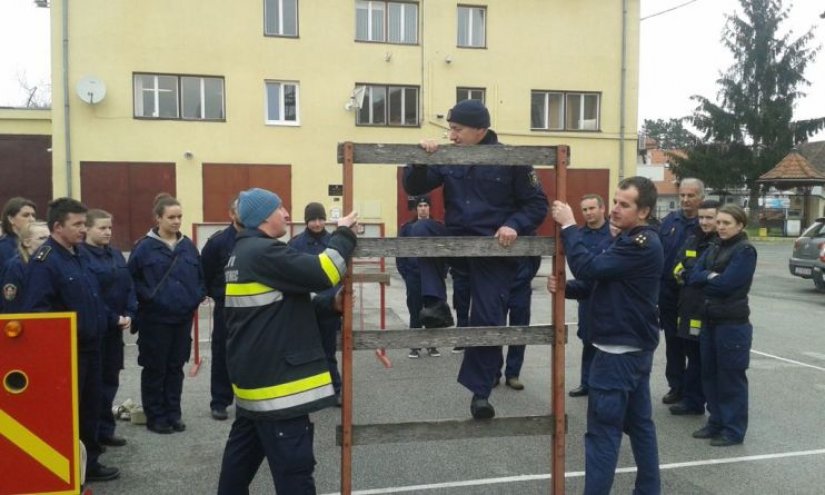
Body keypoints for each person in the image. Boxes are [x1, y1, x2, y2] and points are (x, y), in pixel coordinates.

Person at [403, 99, 548, 419]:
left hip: (493, 251)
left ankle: (480, 394)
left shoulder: (512, 159)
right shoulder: (450, 154)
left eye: (457, 130)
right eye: (449, 129)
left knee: (487, 319)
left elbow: (537, 205)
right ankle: (435, 303)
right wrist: (421, 158)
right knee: (421, 228)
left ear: (480, 130)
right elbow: (414, 187)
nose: (451, 135)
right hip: (457, 240)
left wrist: (514, 225)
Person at [216, 188, 358, 494]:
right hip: (277, 390)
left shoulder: (245, 252)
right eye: (280, 208)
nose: (287, 214)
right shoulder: (262, 251)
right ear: (263, 217)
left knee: (237, 470)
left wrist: (327, 305)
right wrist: (344, 233)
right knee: (295, 474)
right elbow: (325, 272)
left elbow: (284, 299)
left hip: (255, 384)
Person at [548, 176, 662, 495]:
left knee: (602, 434)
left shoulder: (640, 243)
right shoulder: (629, 239)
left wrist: (569, 225)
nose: (614, 209)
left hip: (617, 354)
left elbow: (589, 268)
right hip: (632, 350)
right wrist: (566, 288)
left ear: (644, 211)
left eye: (624, 205)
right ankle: (649, 490)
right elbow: (600, 281)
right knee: (640, 426)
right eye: (615, 201)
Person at [20, 198, 120, 482]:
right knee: (68, 414)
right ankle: (67, 467)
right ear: (57, 227)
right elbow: (37, 313)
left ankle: (90, 462)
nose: (82, 229)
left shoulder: (79, 255)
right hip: (68, 352)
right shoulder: (46, 262)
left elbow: (92, 298)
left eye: (83, 223)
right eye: (76, 224)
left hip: (92, 347)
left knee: (90, 408)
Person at [128, 194, 205, 435]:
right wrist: (151, 300)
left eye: (179, 216)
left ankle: (174, 413)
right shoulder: (143, 248)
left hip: (181, 319)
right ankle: (156, 416)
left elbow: (199, 277)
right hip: (155, 321)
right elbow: (131, 282)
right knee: (155, 368)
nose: (176, 221)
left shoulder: (187, 247)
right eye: (171, 217)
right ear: (158, 218)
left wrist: (195, 298)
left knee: (175, 368)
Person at [687, 204, 756, 447]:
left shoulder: (745, 251)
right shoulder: (715, 246)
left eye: (727, 223)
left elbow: (728, 284)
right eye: (720, 222)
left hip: (732, 324)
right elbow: (692, 275)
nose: (721, 227)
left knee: (731, 378)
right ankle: (715, 421)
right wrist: (709, 276)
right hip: (710, 320)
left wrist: (708, 277)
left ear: (740, 225)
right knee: (710, 374)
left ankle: (733, 430)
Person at [79, 209, 137, 447]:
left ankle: (105, 430)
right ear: (88, 229)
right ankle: (89, 437)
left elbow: (128, 285)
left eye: (109, 228)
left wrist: (130, 313)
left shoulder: (114, 254)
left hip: (115, 331)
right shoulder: (81, 256)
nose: (107, 232)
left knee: (110, 380)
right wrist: (113, 317)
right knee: (92, 387)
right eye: (101, 228)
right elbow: (89, 296)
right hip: (96, 329)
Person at [288, 201, 346, 399]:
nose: (317, 223)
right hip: (305, 306)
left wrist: (338, 301)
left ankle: (335, 390)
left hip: (329, 306)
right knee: (304, 351)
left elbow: (341, 272)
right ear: (306, 221)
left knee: (328, 351)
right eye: (312, 219)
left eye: (320, 219)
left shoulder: (333, 242)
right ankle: (308, 392)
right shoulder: (295, 244)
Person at [668, 200, 721, 416]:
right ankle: (693, 401)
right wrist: (692, 276)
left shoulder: (719, 244)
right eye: (702, 217)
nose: (705, 222)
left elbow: (713, 277)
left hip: (707, 310)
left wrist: (692, 275)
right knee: (691, 356)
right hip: (688, 307)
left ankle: (702, 402)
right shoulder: (692, 239)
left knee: (703, 360)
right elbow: (677, 269)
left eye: (710, 218)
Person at [659, 178, 704, 405]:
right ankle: (676, 385)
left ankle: (693, 390)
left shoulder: (705, 224)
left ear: (701, 198)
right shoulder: (669, 222)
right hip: (668, 293)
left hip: (692, 295)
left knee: (692, 344)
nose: (685, 200)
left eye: (691, 195)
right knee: (672, 342)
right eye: (682, 196)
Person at [201, 197, 242, 421]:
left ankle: (250, 401)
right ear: (231, 214)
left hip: (253, 308)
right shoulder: (218, 242)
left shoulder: (257, 238)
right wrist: (216, 293)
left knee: (251, 353)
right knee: (222, 353)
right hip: (226, 307)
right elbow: (204, 272)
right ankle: (220, 401)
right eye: (239, 211)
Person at [567, 194, 612, 398]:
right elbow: (577, 266)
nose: (588, 213)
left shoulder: (614, 232)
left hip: (608, 295)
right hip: (586, 295)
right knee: (587, 339)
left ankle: (603, 383)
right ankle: (586, 383)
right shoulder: (579, 235)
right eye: (584, 210)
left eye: (592, 208)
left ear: (603, 209)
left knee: (608, 343)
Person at [396, 195, 441, 358]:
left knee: (432, 308)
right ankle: (415, 345)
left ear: (430, 208)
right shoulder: (407, 228)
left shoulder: (437, 227)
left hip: (432, 276)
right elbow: (400, 252)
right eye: (420, 205)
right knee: (414, 309)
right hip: (414, 275)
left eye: (426, 205)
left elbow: (446, 249)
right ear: (416, 209)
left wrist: (440, 273)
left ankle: (431, 345)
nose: (423, 208)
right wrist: (405, 272)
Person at [493, 255, 541, 390]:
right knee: (495, 330)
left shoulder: (528, 233)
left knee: (520, 331)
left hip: (521, 287)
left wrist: (526, 276)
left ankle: (513, 374)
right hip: (497, 285)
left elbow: (535, 257)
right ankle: (494, 373)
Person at [1, 221, 49, 313]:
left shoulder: (46, 263)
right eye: (42, 238)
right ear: (27, 242)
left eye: (49, 238)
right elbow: (11, 304)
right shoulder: (15, 267)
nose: (48, 242)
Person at [0, 196, 37, 267]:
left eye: (33, 215)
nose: (32, 219)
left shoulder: (36, 243)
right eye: (26, 215)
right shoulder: (3, 247)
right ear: (11, 219)